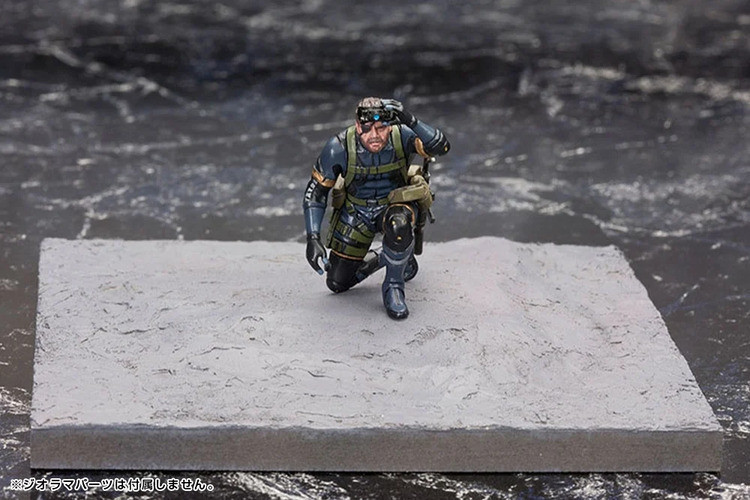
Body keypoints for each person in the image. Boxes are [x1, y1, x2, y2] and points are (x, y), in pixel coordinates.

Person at [302, 97, 450, 319]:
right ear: (357, 125)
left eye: (381, 128)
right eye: (367, 128)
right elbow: (316, 193)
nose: (375, 135)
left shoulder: (402, 136)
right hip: (356, 213)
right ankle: (390, 255)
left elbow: (442, 147)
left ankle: (393, 286)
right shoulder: (339, 147)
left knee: (399, 225)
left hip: (393, 206)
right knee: (337, 282)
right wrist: (313, 238)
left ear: (389, 126)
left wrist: (410, 120)